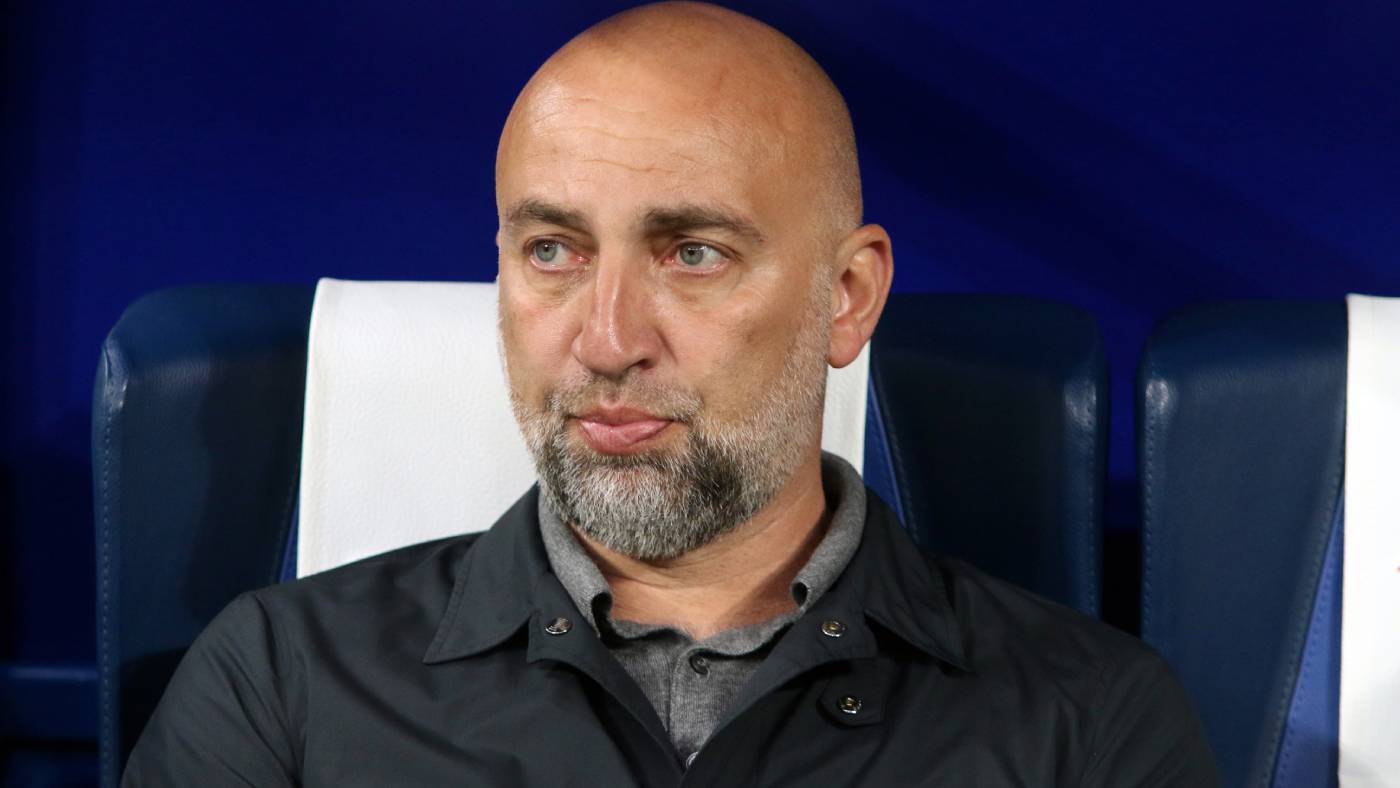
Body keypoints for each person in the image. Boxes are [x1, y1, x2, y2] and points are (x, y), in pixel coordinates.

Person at [123, 2, 1219, 784]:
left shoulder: (1089, 721)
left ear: (846, 297)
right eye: (552, 251)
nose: (606, 341)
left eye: (693, 253)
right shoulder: (279, 682)